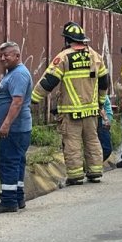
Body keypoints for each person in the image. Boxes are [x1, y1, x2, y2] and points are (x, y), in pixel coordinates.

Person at [31, 22, 110, 185]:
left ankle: (75, 176)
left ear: (67, 40)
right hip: (91, 111)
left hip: (70, 111)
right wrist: (100, 103)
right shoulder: (95, 56)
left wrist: (33, 99)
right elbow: (104, 82)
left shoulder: (64, 57)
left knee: (72, 143)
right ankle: (95, 172)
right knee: (92, 140)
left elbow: (49, 81)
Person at [0, 42, 33, 214]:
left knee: (8, 162)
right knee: (17, 161)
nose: (2, 58)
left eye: (6, 55)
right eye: (0, 55)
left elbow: (17, 102)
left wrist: (6, 124)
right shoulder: (14, 73)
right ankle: (18, 196)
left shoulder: (18, 75)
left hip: (14, 129)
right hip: (17, 128)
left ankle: (8, 200)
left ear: (17, 55)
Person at [98, 94, 114, 161]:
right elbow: (100, 108)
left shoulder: (103, 93)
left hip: (104, 123)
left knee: (105, 147)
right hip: (102, 123)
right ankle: (95, 164)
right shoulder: (99, 92)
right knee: (107, 149)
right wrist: (106, 119)